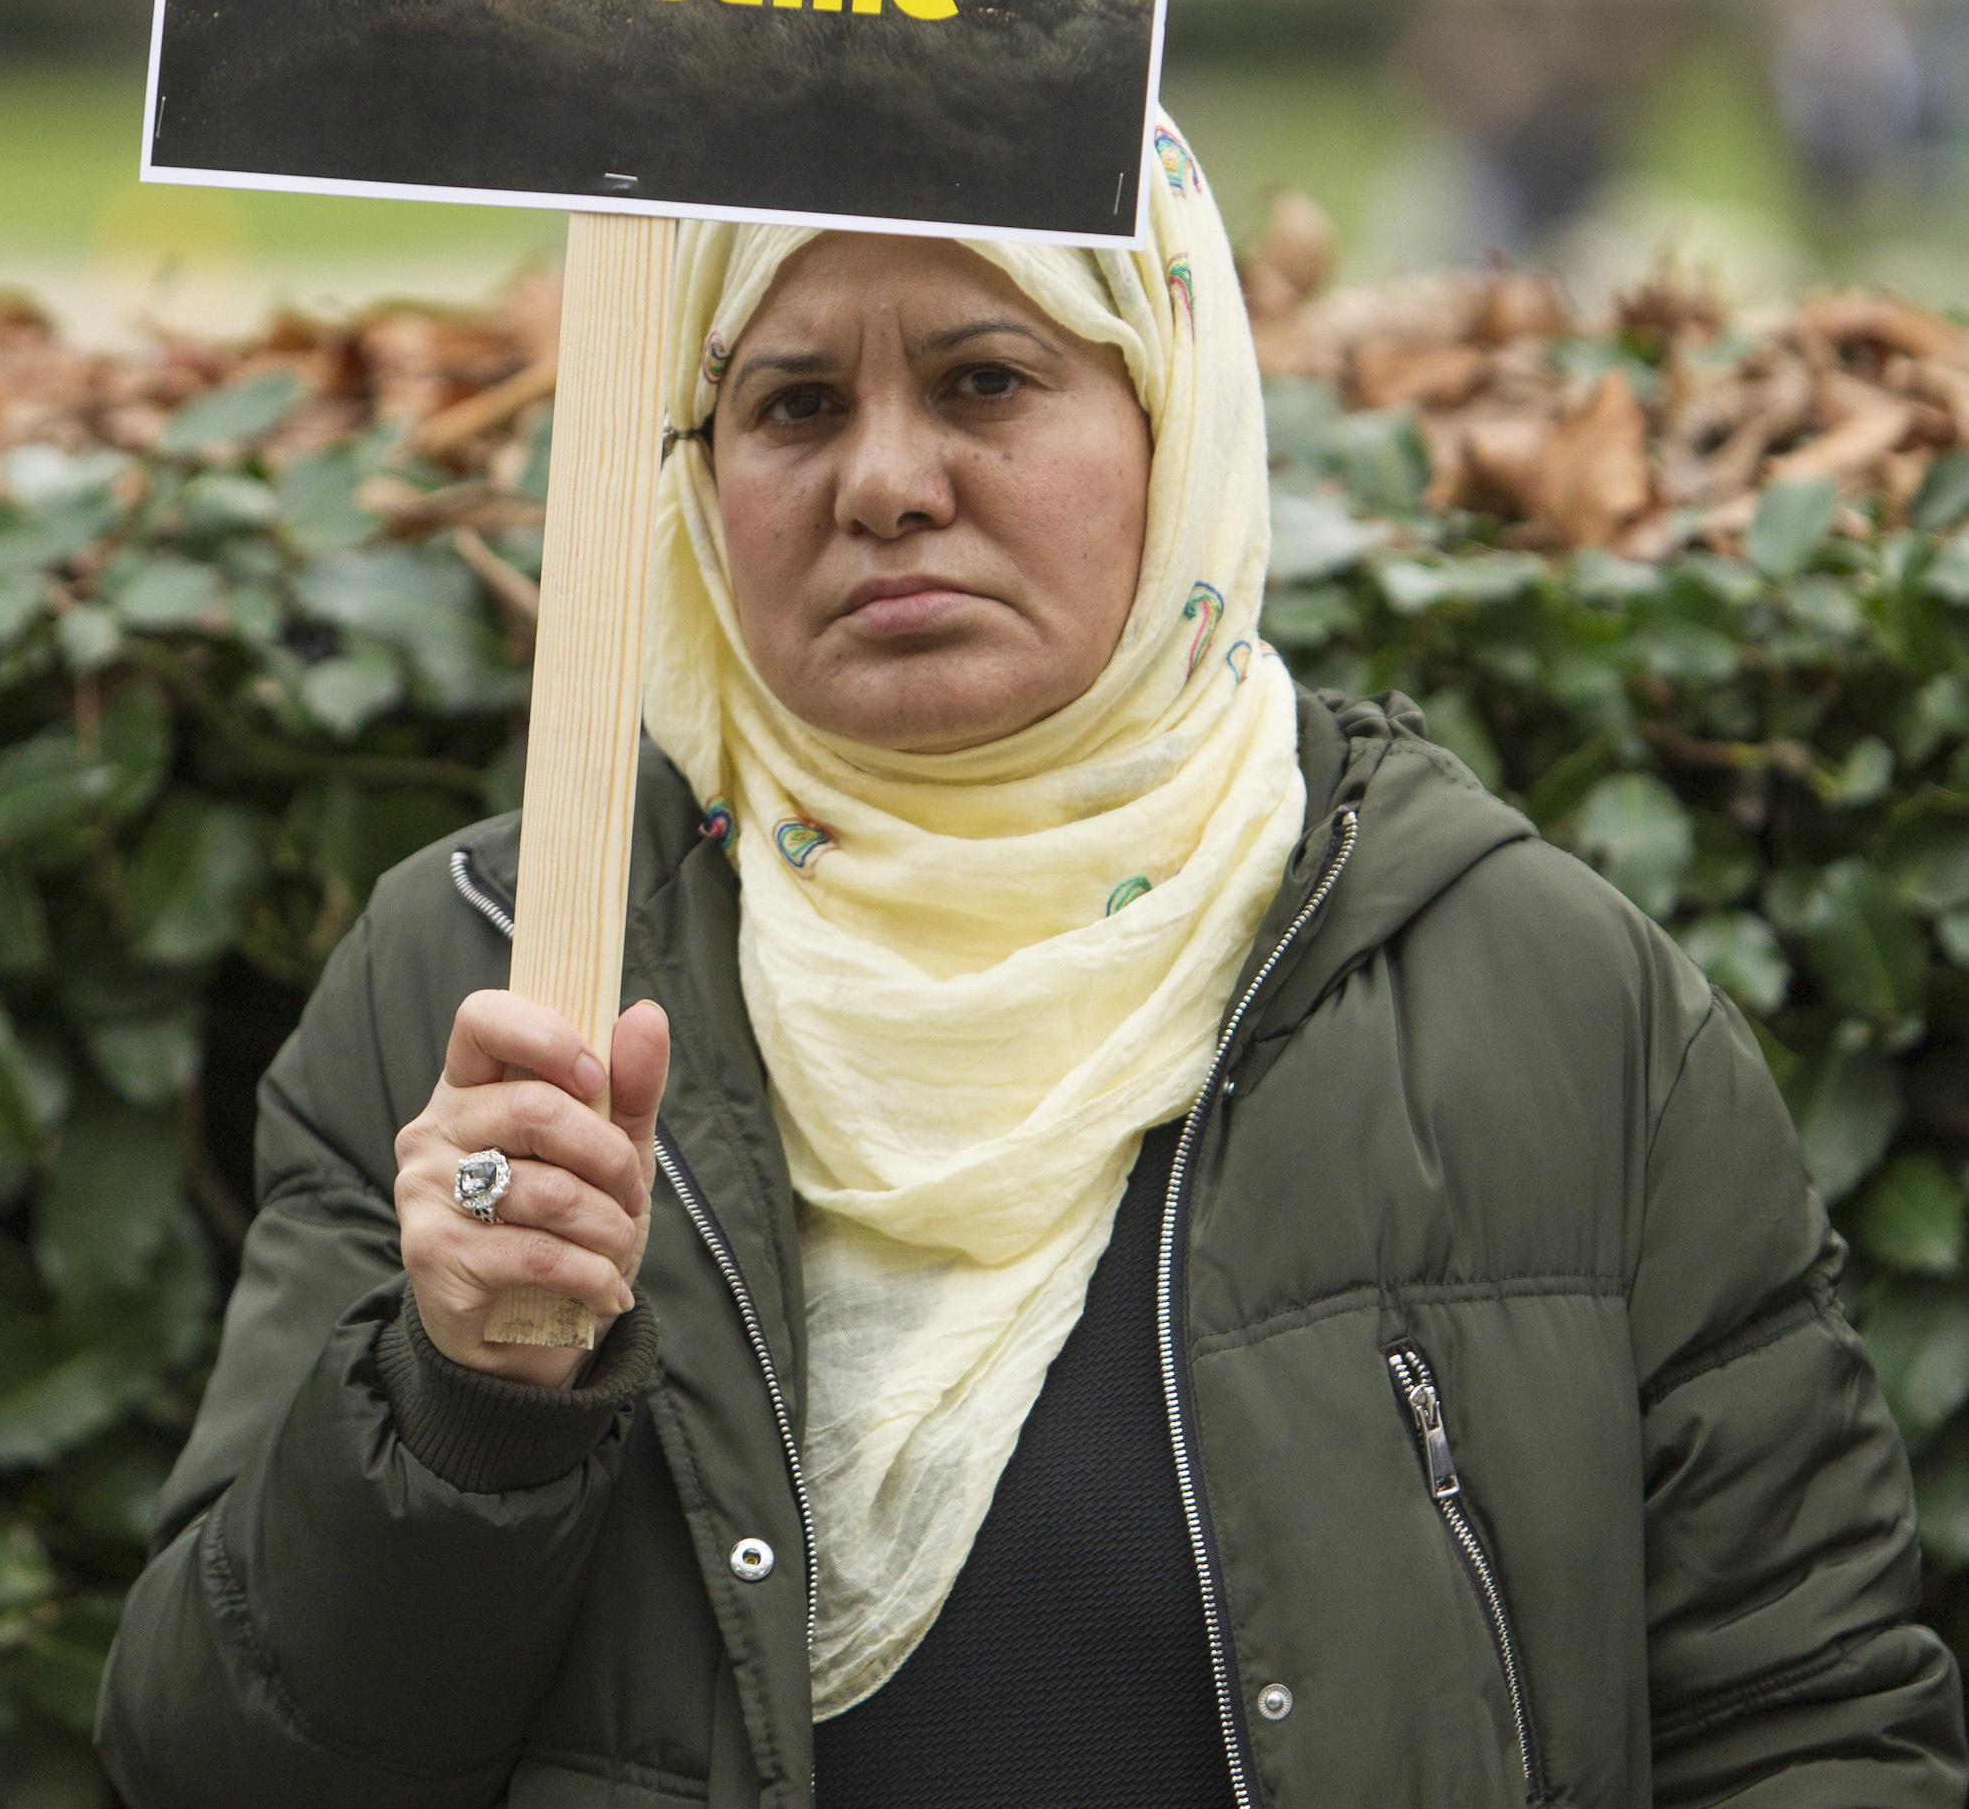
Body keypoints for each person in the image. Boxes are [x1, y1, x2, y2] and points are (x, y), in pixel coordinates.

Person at [98, 132, 1965, 1808]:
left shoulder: (1556, 1005)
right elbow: (213, 1756)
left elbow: (1802, 1725)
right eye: (793, 403)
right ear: (697, 469)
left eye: (988, 378)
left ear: (1177, 414)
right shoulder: (499, 991)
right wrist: (466, 1393)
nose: (886, 480)